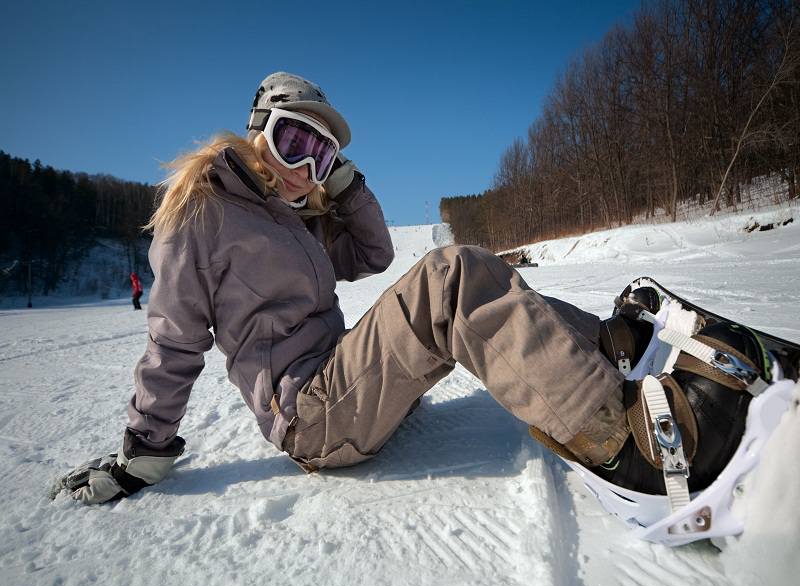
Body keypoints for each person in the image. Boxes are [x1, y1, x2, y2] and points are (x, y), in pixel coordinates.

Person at [53, 72, 764, 509]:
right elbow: (173, 339)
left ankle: (619, 355)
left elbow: (372, 253)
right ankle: (624, 445)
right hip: (312, 416)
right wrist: (141, 451)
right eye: (295, 142)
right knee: (451, 275)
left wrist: (346, 188)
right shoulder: (200, 215)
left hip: (348, 387)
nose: (307, 165)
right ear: (256, 134)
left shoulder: (293, 220)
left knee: (480, 277)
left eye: (323, 154)